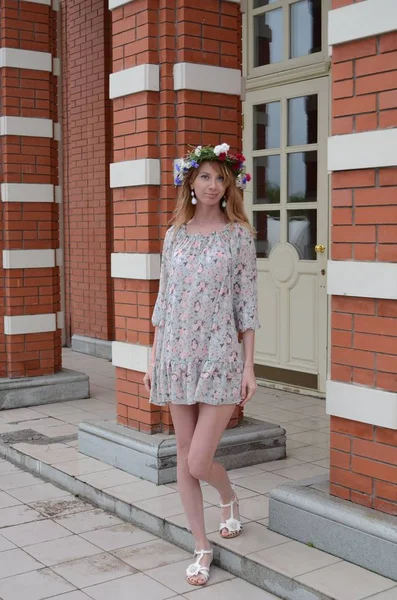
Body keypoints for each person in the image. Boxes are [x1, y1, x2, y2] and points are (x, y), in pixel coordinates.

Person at [143, 143, 260, 587]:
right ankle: (202, 546)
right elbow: (163, 303)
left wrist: (249, 366)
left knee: (196, 461)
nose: (213, 185)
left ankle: (228, 496)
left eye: (220, 178)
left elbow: (247, 308)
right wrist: (154, 359)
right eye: (205, 177)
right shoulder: (174, 235)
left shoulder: (239, 237)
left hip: (219, 358)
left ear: (229, 185)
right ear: (190, 182)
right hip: (175, 355)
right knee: (183, 461)